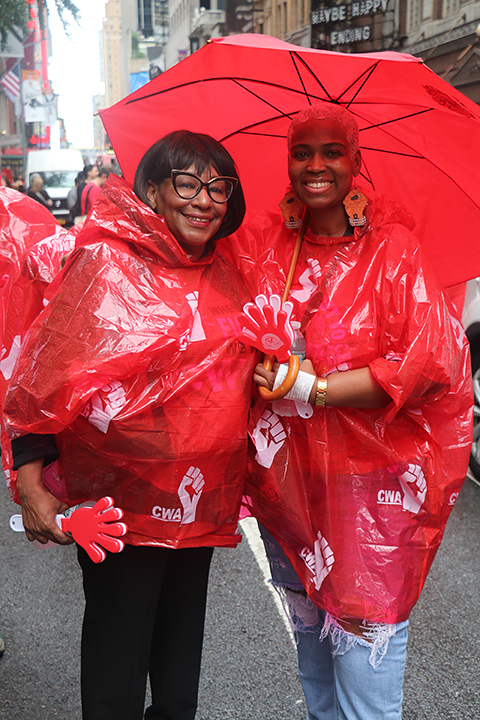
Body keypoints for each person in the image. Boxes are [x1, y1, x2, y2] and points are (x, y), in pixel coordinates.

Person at [4, 130, 257, 720]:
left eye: (218, 187)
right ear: (152, 191)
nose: (204, 200)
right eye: (187, 183)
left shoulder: (230, 272)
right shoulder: (105, 263)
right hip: (119, 510)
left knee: (177, 690)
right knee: (116, 682)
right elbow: (44, 378)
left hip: (198, 508)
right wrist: (32, 482)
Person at [232, 104, 472, 720]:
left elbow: (427, 364)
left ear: (356, 162)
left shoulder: (392, 250)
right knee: (314, 665)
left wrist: (312, 387)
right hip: (289, 486)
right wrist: (263, 367)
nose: (316, 166)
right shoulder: (266, 248)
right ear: (288, 163)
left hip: (369, 492)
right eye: (302, 152)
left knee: (367, 671)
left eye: (331, 152)